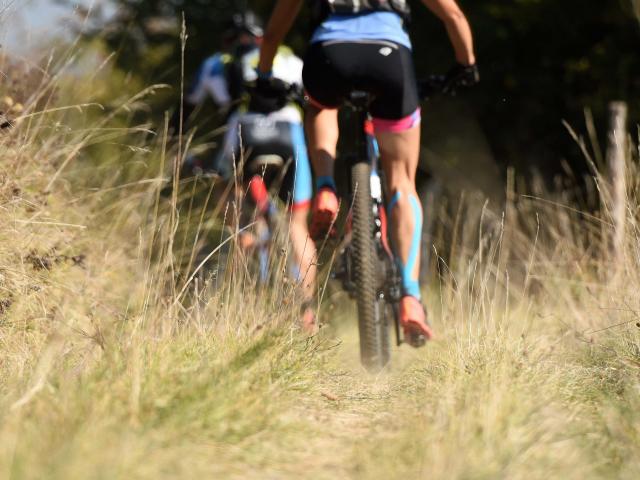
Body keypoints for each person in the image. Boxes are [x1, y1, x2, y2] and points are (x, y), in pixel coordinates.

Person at [257, 0, 479, 345]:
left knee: (321, 105)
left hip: (329, 54)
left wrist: (264, 75)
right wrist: (465, 66)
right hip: (389, 56)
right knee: (402, 183)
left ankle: (327, 184)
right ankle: (409, 296)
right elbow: (453, 15)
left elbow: (272, 34)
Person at [177, 11, 317, 330]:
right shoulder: (288, 57)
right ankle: (307, 312)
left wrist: (176, 147)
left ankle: (244, 301)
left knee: (234, 212)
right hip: (289, 133)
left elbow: (185, 109)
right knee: (297, 224)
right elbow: (313, 101)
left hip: (243, 132)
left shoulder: (217, 62)